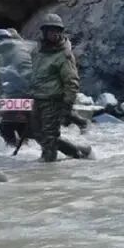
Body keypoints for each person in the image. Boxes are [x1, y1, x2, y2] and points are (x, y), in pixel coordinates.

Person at [30, 13, 90, 162]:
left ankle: (48, 167)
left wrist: (67, 106)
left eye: (57, 31)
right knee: (37, 133)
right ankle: (78, 153)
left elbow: (71, 82)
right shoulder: (38, 51)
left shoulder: (64, 54)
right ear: (44, 32)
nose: (55, 34)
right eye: (51, 31)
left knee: (50, 137)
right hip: (37, 98)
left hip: (53, 101)